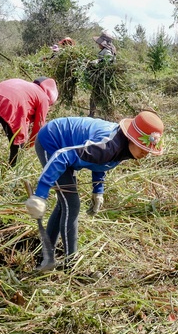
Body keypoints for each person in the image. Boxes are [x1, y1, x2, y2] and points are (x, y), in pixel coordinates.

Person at [25, 111, 165, 271]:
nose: (145, 153)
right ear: (131, 138)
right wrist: (40, 195)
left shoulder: (120, 148)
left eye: (149, 151)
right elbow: (61, 156)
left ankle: (46, 255)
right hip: (52, 141)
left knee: (65, 204)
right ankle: (71, 264)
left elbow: (100, 163)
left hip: (65, 146)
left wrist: (98, 190)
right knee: (72, 205)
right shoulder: (107, 146)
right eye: (143, 147)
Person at [0, 77, 58, 167]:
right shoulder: (43, 97)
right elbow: (39, 127)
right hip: (10, 105)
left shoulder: (25, 85)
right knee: (17, 148)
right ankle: (12, 175)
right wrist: (28, 145)